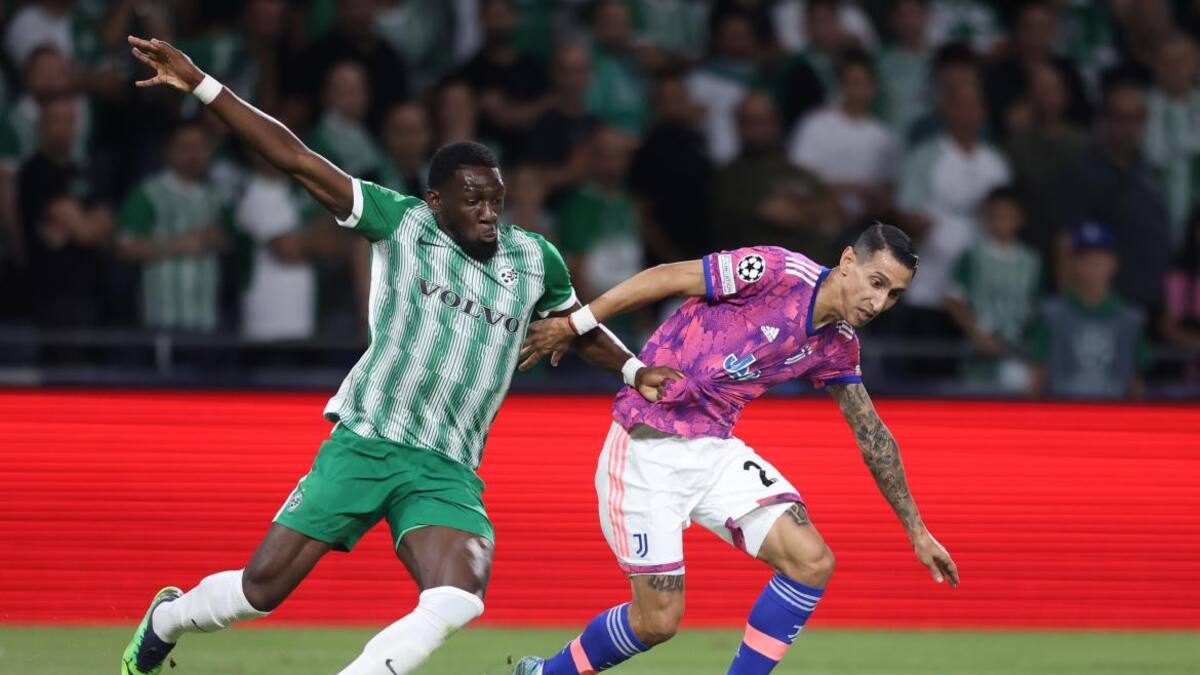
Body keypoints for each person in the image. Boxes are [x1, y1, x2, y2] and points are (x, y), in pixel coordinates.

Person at [119, 35, 679, 675]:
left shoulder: (534, 259)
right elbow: (298, 161)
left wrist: (636, 371)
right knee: (260, 591)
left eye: (496, 199)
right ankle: (167, 616)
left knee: (458, 595)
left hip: (448, 465)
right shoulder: (401, 223)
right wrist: (201, 85)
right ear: (438, 202)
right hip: (368, 441)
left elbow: (573, 327)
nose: (490, 214)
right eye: (473, 200)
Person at [513, 223, 958, 675]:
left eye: (894, 294)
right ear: (847, 262)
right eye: (876, 283)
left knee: (811, 562)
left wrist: (917, 531)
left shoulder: (838, 345)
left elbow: (873, 436)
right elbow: (666, 276)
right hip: (646, 448)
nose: (878, 302)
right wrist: (576, 323)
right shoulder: (776, 270)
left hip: (713, 450)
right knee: (657, 622)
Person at [1029, 222, 1151, 400]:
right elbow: (1037, 374)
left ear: (1113, 263)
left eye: (1100, 259)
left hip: (1115, 416)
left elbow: (1137, 381)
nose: (1094, 267)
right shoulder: (1051, 315)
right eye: (1086, 260)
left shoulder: (1131, 319)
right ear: (1075, 264)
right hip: (1062, 415)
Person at [943, 187, 1040, 391]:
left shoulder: (1031, 261)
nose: (1001, 222)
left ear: (1019, 219)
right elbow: (953, 299)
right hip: (980, 353)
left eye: (1007, 216)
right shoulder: (974, 255)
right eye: (996, 216)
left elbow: (1036, 306)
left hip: (1017, 352)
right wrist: (979, 336)